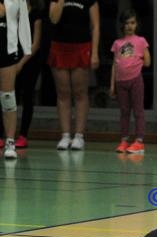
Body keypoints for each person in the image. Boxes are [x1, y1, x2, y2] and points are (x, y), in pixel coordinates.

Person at [48, 0, 99, 151]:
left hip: (82, 47)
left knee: (80, 93)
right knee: (63, 93)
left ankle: (79, 136)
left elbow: (95, 26)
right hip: (59, 47)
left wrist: (95, 53)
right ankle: (65, 135)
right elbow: (53, 19)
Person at [0, 0, 42, 154]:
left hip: (8, 48)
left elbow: (24, 21)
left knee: (7, 96)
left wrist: (25, 48)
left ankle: (10, 141)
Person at [110, 8, 150, 155]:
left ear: (136, 24)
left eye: (132, 23)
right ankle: (124, 140)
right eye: (126, 23)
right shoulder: (117, 43)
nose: (129, 26)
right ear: (122, 25)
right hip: (121, 82)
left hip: (135, 80)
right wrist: (112, 85)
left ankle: (139, 141)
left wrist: (135, 61)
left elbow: (147, 62)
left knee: (138, 111)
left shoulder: (141, 41)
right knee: (124, 112)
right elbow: (115, 64)